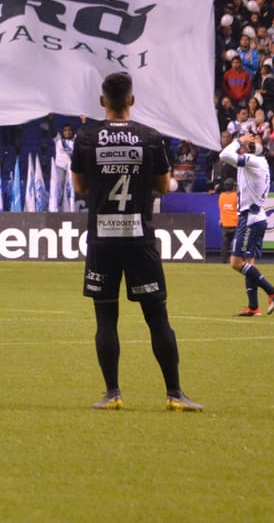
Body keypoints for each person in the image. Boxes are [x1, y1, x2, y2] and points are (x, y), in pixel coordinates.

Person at [71, 73, 202, 411]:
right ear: (131, 100)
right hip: (139, 238)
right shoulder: (150, 137)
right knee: (157, 318)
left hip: (102, 239)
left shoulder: (86, 138)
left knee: (105, 319)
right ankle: (175, 394)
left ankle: (112, 394)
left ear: (102, 101)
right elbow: (163, 186)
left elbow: (80, 188)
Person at [219, 133, 274, 317]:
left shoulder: (253, 161)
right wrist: (242, 142)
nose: (247, 143)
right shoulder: (258, 162)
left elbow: (224, 155)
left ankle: (273, 292)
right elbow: (231, 156)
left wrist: (240, 141)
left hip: (250, 218)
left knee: (236, 263)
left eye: (253, 141)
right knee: (249, 263)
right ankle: (253, 307)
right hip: (257, 217)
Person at [218, 178, 238, 262]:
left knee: (225, 244)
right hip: (236, 224)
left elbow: (221, 208)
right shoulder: (236, 196)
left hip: (225, 224)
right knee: (237, 244)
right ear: (233, 187)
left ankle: (223, 261)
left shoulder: (221, 196)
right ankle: (237, 260)